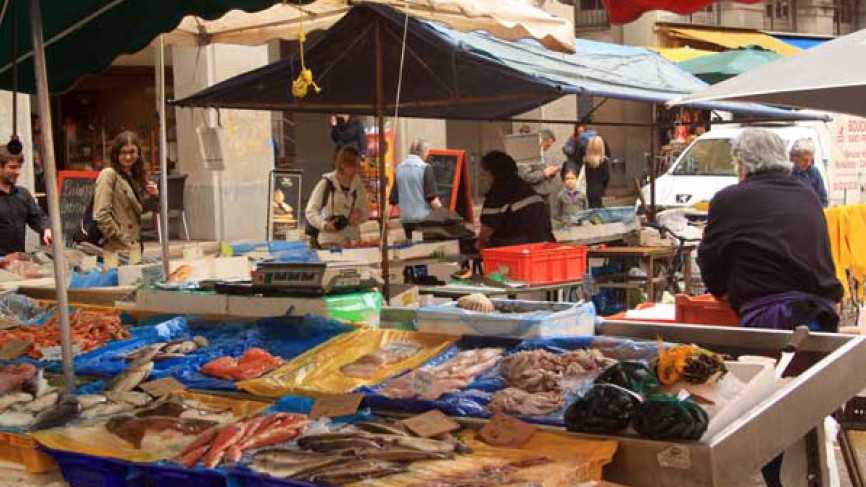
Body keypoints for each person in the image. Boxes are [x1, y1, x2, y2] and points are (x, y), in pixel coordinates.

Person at [698, 128, 842, 487]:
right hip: (821, 318)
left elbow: (711, 261)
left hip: (769, 321)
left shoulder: (730, 199)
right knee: (807, 418)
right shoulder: (807, 195)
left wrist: (721, 289)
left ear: (742, 163)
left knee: (764, 421)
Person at [92, 131, 159, 253]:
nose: (128, 157)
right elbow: (101, 214)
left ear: (138, 153)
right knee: (115, 272)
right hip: (114, 248)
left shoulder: (135, 177)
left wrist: (154, 195)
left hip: (133, 245)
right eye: (123, 152)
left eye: (132, 152)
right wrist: (120, 238)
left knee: (134, 272)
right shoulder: (109, 174)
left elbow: (141, 210)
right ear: (116, 154)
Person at [477, 151, 553, 249]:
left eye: (483, 173)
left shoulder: (498, 192)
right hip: (544, 245)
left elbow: (487, 228)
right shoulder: (523, 187)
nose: (482, 177)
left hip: (517, 249)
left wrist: (479, 245)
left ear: (491, 172)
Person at [305, 146, 369, 248]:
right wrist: (324, 225)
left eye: (358, 166)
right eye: (353, 166)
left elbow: (366, 212)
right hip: (329, 242)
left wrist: (360, 214)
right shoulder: (326, 183)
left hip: (352, 242)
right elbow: (310, 211)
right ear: (343, 165)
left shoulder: (359, 186)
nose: (357, 170)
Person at [0, 147, 51, 255]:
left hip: (18, 262)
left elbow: (38, 217)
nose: (17, 172)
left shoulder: (22, 194)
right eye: (12, 167)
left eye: (19, 167)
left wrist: (46, 229)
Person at [389, 139, 442, 240]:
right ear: (423, 151)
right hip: (423, 220)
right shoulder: (425, 168)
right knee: (423, 249)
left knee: (411, 247)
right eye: (427, 152)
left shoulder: (399, 168)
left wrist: (386, 219)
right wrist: (444, 213)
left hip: (406, 220)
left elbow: (393, 199)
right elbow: (432, 199)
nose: (427, 155)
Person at [516, 129, 560, 204]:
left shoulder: (543, 154)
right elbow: (526, 176)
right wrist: (544, 173)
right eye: (547, 145)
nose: (547, 149)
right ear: (541, 141)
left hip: (544, 193)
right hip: (532, 195)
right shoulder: (526, 154)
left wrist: (551, 172)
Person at [790, 138, 828, 207]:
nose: (808, 163)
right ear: (795, 158)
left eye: (811, 160)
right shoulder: (789, 174)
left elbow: (823, 199)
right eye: (805, 160)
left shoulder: (814, 172)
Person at [582, 135, 610, 208]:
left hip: (589, 189)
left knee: (591, 208)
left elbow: (586, 176)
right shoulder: (604, 161)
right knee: (598, 210)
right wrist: (603, 187)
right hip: (599, 188)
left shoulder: (587, 161)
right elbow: (606, 176)